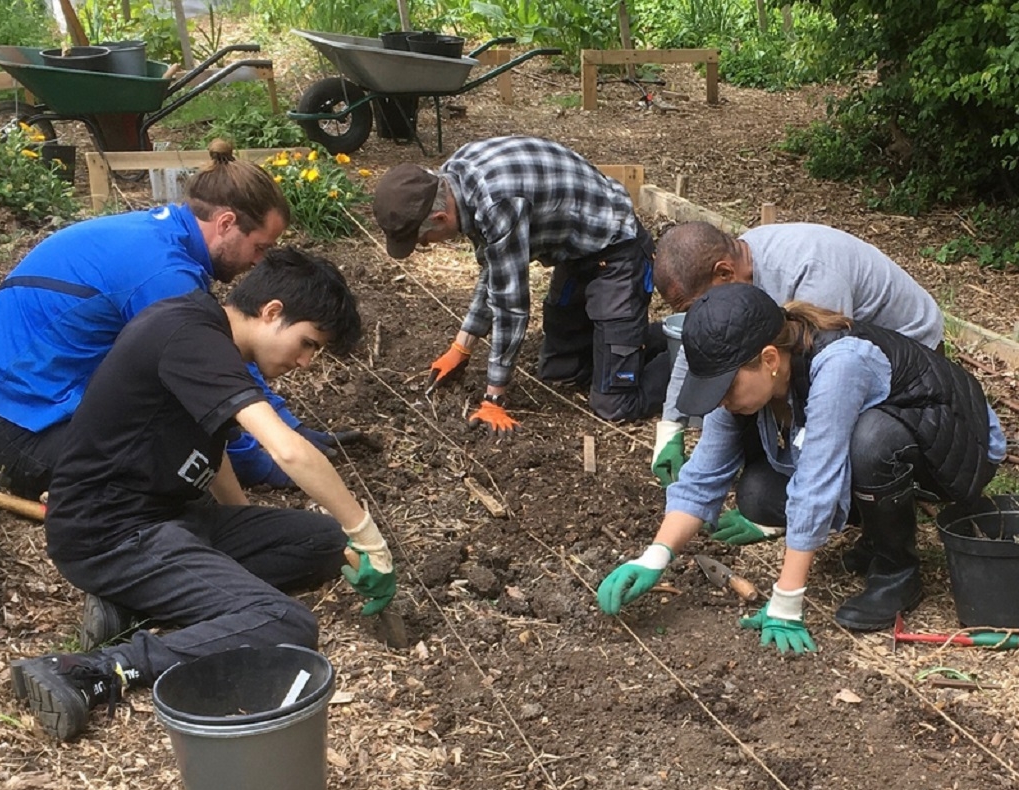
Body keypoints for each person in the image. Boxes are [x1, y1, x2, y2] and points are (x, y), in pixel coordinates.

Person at [9, 248, 396, 741]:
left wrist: (248, 528)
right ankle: (95, 670)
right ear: (272, 312)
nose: (304, 361)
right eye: (307, 344)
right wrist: (367, 535)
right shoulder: (190, 337)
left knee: (322, 543)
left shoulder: (208, 334)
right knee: (283, 622)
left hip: (170, 515)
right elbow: (290, 452)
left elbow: (215, 454)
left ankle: (130, 606)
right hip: (109, 533)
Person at [598, 283, 1004, 653]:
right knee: (758, 493)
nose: (719, 400)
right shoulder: (743, 383)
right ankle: (875, 537)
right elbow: (703, 477)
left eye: (724, 388)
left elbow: (817, 480)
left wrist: (787, 600)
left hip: (956, 445)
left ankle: (897, 570)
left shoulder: (840, 363)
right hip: (898, 445)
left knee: (871, 440)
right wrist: (654, 556)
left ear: (769, 359)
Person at [0, 138, 336, 498]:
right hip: (26, 429)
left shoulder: (163, 237)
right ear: (225, 223)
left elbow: (222, 351)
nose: (258, 262)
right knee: (178, 475)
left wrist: (289, 426)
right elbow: (210, 386)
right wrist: (259, 464)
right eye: (260, 247)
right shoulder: (164, 274)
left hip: (26, 402)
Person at [648, 221, 945, 561]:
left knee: (860, 442)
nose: (695, 317)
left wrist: (799, 521)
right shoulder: (738, 268)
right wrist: (672, 424)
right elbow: (707, 345)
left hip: (909, 373)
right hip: (826, 367)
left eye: (691, 307)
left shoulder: (810, 275)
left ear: (725, 272)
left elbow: (826, 392)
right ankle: (848, 498)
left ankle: (884, 526)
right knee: (758, 488)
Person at [373, 136, 667, 433]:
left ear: (440, 217)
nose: (427, 245)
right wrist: (461, 348)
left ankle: (687, 349)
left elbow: (511, 307)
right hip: (576, 253)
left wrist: (493, 398)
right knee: (560, 372)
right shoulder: (451, 180)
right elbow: (494, 271)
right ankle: (623, 344)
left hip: (617, 249)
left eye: (424, 240)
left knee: (614, 404)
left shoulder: (496, 203)